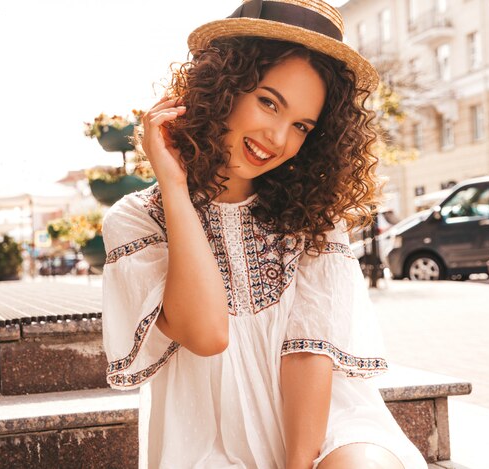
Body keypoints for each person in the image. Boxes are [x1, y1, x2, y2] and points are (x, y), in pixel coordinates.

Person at [101, 1, 428, 467]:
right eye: (268, 102)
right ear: (223, 89)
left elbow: (308, 352)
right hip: (207, 436)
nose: (277, 137)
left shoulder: (312, 216)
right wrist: (175, 188)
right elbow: (207, 334)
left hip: (321, 424)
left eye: (301, 126)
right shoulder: (136, 219)